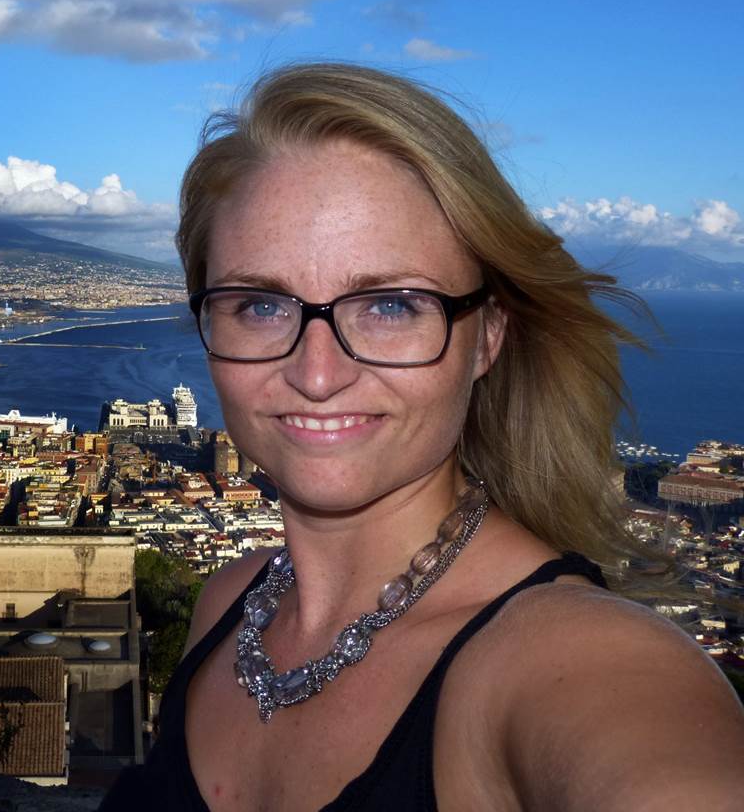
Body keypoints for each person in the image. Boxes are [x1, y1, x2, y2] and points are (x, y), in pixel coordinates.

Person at [99, 64, 744, 811]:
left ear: (488, 336)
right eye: (261, 304)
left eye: (392, 306)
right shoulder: (227, 606)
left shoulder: (575, 663)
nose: (317, 373)